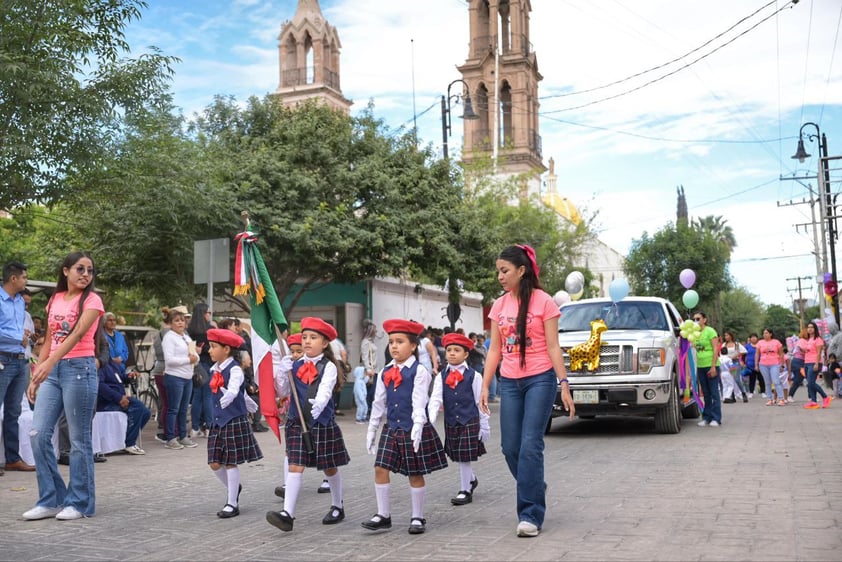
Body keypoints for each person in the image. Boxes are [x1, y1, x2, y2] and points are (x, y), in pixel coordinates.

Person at [479, 245, 574, 538]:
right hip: (509, 381)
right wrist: (484, 384)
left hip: (540, 380)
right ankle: (533, 484)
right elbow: (494, 348)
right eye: (498, 271)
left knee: (531, 444)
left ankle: (530, 513)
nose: (500, 276)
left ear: (522, 271)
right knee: (510, 447)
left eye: (504, 270)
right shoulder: (499, 305)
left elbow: (553, 346)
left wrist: (564, 383)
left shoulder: (544, 302)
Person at [24, 252, 104, 520]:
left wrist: (50, 363)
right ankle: (52, 499)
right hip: (54, 370)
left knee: (79, 441)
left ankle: (80, 503)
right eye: (80, 269)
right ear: (65, 271)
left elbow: (78, 333)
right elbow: (49, 339)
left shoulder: (93, 300)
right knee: (38, 433)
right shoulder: (55, 299)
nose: (85, 274)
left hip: (79, 369)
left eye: (90, 271)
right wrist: (38, 372)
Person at [362, 319, 447, 535]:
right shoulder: (384, 372)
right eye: (391, 342)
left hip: (412, 427)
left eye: (400, 342)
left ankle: (417, 517)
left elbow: (420, 401)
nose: (394, 346)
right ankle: (383, 515)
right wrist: (372, 428)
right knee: (380, 468)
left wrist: (419, 425)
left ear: (413, 346)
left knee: (415, 473)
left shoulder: (419, 371)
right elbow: (378, 403)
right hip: (391, 428)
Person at [266, 317, 350, 533]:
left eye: (313, 338)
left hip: (321, 423)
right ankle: (287, 514)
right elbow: (283, 392)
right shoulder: (294, 365)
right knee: (295, 466)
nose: (307, 341)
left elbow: (326, 389)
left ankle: (337, 505)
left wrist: (319, 403)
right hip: (296, 422)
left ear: (324, 343)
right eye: (304, 337)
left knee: (329, 467)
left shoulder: (329, 366)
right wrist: (282, 373)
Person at [205, 328, 263, 519]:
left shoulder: (235, 369)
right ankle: (234, 487)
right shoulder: (215, 369)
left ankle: (232, 503)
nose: (209, 350)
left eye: (213, 347)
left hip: (233, 420)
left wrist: (229, 397)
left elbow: (235, 388)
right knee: (214, 463)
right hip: (217, 421)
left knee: (230, 462)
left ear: (227, 349)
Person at [427, 332, 490, 506]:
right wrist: (430, 419)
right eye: (449, 350)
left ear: (466, 354)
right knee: (456, 455)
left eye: (457, 350)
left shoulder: (474, 376)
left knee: (464, 456)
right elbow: (436, 398)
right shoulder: (441, 376)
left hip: (469, 420)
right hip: (451, 421)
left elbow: (480, 401)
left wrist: (484, 426)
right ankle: (471, 479)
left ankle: (465, 490)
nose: (452, 353)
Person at [95, 317, 151, 455]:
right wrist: (119, 398)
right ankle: (129, 443)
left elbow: (120, 377)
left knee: (146, 412)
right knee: (137, 406)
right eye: (105, 347)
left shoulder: (112, 364)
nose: (107, 350)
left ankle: (126, 440)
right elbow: (100, 386)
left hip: (119, 397)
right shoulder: (100, 365)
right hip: (107, 401)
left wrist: (129, 376)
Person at [0, 261, 36, 475]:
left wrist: (25, 338)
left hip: (20, 360)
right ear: (13, 278)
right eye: (24, 277)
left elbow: (20, 328)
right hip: (2, 359)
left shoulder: (20, 302)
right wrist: (18, 337)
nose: (26, 281)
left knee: (13, 411)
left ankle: (12, 459)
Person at [162, 307, 200, 450]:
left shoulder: (186, 337)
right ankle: (170, 438)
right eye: (176, 321)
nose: (180, 323)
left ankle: (183, 436)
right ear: (171, 323)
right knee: (173, 408)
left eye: (182, 321)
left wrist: (195, 358)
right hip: (174, 377)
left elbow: (194, 355)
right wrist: (188, 360)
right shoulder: (169, 337)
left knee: (184, 409)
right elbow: (169, 360)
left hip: (187, 377)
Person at [188, 303, 214, 438]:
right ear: (204, 313)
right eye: (208, 312)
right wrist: (205, 349)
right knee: (208, 396)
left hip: (196, 365)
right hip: (208, 364)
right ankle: (209, 426)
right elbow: (213, 348)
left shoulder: (190, 330)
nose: (209, 315)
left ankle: (195, 427)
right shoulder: (210, 330)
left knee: (197, 397)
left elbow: (190, 348)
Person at [693, 311, 722, 425]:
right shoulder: (694, 333)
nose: (696, 321)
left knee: (714, 392)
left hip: (711, 365)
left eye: (698, 319)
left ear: (704, 320)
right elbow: (696, 347)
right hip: (700, 366)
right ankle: (706, 417)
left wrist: (713, 366)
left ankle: (716, 418)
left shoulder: (710, 331)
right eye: (694, 319)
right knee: (705, 392)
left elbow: (715, 348)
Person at [801, 321, 830, 409]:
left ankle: (825, 397)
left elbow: (818, 353)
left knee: (811, 383)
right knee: (810, 383)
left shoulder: (818, 339)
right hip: (807, 362)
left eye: (812, 327)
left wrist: (817, 364)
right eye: (808, 327)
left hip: (814, 363)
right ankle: (813, 401)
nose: (809, 329)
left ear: (815, 329)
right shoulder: (808, 340)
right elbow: (807, 351)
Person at [755, 327, 785, 407]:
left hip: (774, 363)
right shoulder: (760, 343)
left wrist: (782, 364)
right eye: (764, 333)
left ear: (771, 334)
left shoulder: (776, 342)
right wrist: (756, 365)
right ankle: (769, 399)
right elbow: (757, 354)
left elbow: (781, 354)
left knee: (776, 381)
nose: (765, 335)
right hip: (763, 364)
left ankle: (781, 399)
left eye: (767, 333)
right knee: (767, 382)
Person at [722, 330, 748, 402]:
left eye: (727, 335)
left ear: (731, 336)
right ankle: (732, 395)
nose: (726, 337)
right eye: (725, 335)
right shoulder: (724, 345)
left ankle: (743, 393)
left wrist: (737, 355)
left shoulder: (736, 344)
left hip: (734, 362)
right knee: (730, 379)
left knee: (736, 379)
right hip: (727, 362)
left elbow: (744, 351)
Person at [102, 312, 129, 379]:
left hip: (121, 369)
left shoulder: (120, 336)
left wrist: (121, 358)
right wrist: (111, 360)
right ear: (104, 322)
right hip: (108, 370)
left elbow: (126, 351)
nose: (113, 322)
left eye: (114, 320)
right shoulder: (101, 336)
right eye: (110, 320)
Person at [361, 321, 378, 419]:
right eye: (375, 330)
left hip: (375, 369)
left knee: (373, 391)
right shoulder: (365, 342)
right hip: (371, 370)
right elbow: (364, 356)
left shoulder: (371, 342)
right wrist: (368, 368)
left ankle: (370, 410)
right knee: (370, 392)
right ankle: (368, 411)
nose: (376, 332)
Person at [787, 328, 807, 401]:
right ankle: (790, 396)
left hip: (802, 362)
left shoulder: (805, 341)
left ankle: (811, 396)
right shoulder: (801, 341)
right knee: (798, 380)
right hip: (798, 362)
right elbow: (803, 350)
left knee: (808, 380)